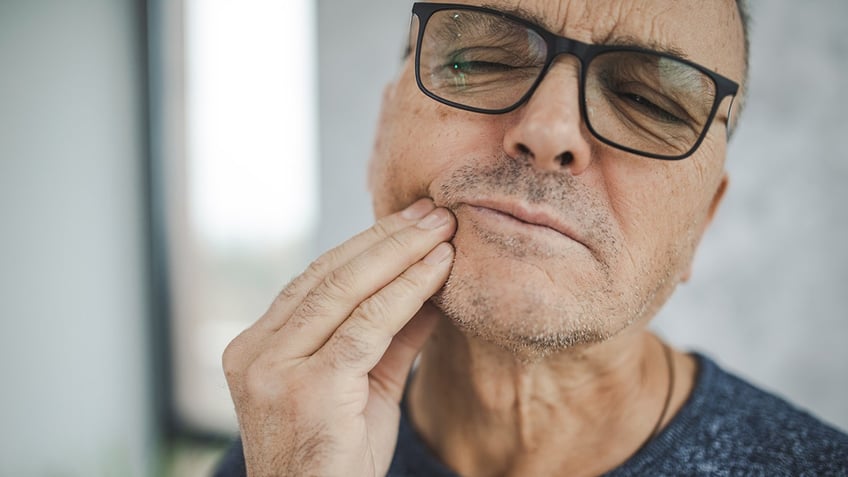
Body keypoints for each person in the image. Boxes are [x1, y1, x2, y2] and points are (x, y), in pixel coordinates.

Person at [214, 1, 848, 475]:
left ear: (703, 219)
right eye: (481, 60)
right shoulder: (279, 454)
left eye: (647, 102)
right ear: (383, 134)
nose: (549, 131)